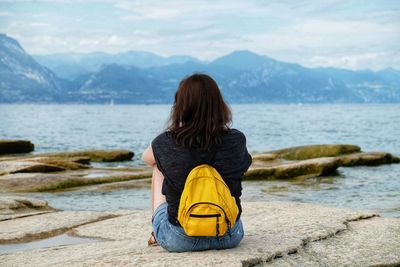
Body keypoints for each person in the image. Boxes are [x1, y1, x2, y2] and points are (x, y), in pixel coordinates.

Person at [141, 73, 252, 252]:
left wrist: (175, 135)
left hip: (180, 238)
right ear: (219, 104)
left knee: (157, 165)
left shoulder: (166, 142)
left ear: (181, 107)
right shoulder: (236, 139)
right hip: (228, 235)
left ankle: (157, 232)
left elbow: (146, 158)